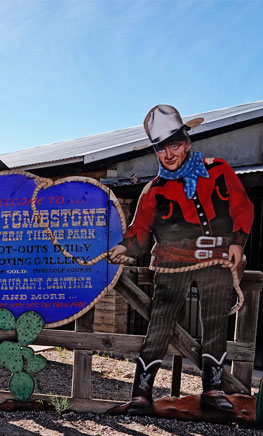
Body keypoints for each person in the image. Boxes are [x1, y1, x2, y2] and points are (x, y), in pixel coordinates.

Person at [108, 104, 254, 413]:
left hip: (215, 258)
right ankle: (141, 393)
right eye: (161, 148)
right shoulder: (153, 190)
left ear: (186, 142)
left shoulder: (218, 170)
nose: (169, 154)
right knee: (160, 322)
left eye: (174, 145)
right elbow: (140, 230)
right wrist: (125, 248)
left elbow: (242, 206)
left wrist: (238, 242)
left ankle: (213, 389)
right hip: (171, 262)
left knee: (215, 320)